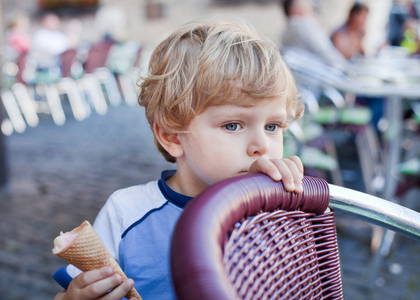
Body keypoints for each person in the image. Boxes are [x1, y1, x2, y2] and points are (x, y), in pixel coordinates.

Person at [53, 17, 305, 300]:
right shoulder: (127, 213)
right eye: (233, 125)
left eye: (273, 127)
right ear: (173, 137)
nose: (261, 146)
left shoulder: (275, 215)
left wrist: (292, 204)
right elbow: (71, 293)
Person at [281, 0, 349, 70]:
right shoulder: (301, 24)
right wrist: (346, 68)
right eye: (303, 2)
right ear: (294, 9)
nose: (310, 4)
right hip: (316, 74)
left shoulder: (292, 26)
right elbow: (324, 50)